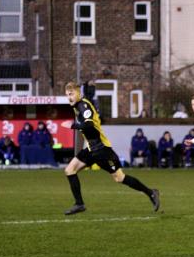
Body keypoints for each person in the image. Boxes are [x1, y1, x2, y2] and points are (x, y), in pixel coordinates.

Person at [60, 81, 160, 216]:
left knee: (119, 178)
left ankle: (151, 193)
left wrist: (72, 125)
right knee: (69, 170)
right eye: (67, 95)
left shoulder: (84, 106)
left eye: (71, 94)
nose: (69, 97)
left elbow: (89, 125)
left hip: (102, 150)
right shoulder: (77, 105)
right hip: (91, 149)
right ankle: (79, 204)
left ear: (79, 93)